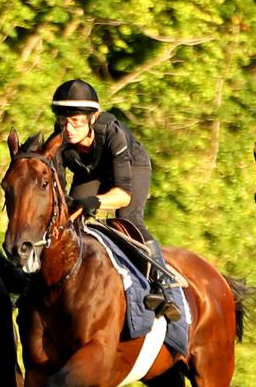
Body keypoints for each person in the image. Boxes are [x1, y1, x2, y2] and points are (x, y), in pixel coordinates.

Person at [50, 78, 179, 321]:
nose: (68, 129)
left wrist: (96, 202)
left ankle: (163, 285)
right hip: (92, 172)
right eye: (63, 120)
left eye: (76, 121)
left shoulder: (113, 133)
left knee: (128, 219)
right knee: (70, 219)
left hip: (132, 167)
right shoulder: (58, 141)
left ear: (92, 117)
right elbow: (60, 197)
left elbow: (122, 195)